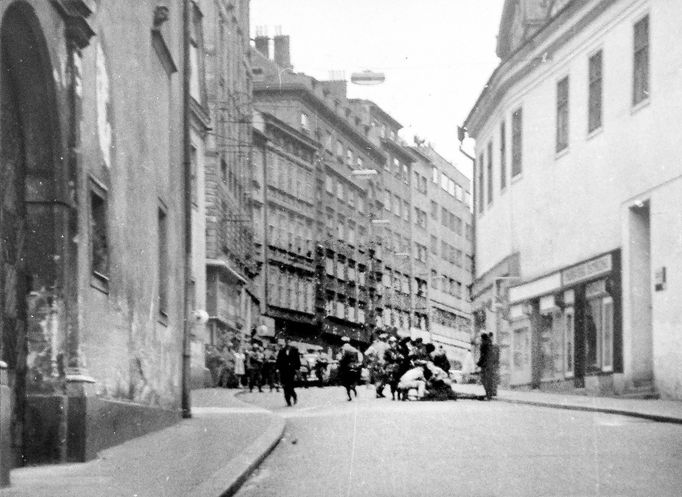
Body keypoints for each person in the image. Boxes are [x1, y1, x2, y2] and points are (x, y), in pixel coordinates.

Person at [276, 337, 301, 406]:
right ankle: (288, 401)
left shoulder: (295, 350)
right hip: (283, 370)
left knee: (290, 386)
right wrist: (277, 368)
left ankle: (294, 396)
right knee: (285, 386)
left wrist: (297, 368)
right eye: (287, 341)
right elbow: (278, 360)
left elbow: (297, 361)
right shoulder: (282, 351)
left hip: (291, 370)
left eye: (289, 341)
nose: (288, 343)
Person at [338, 336, 361, 401]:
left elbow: (342, 358)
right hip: (355, 365)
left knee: (345, 380)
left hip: (346, 366)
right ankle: (353, 387)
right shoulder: (354, 348)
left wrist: (340, 361)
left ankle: (349, 396)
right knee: (356, 378)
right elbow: (358, 358)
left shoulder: (342, 348)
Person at [477, 333, 493, 400]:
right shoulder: (490, 343)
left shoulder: (484, 344)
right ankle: (489, 395)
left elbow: (483, 355)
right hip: (490, 364)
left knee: (484, 380)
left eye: (481, 338)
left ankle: (488, 395)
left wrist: (479, 363)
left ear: (482, 338)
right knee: (488, 380)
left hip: (485, 365)